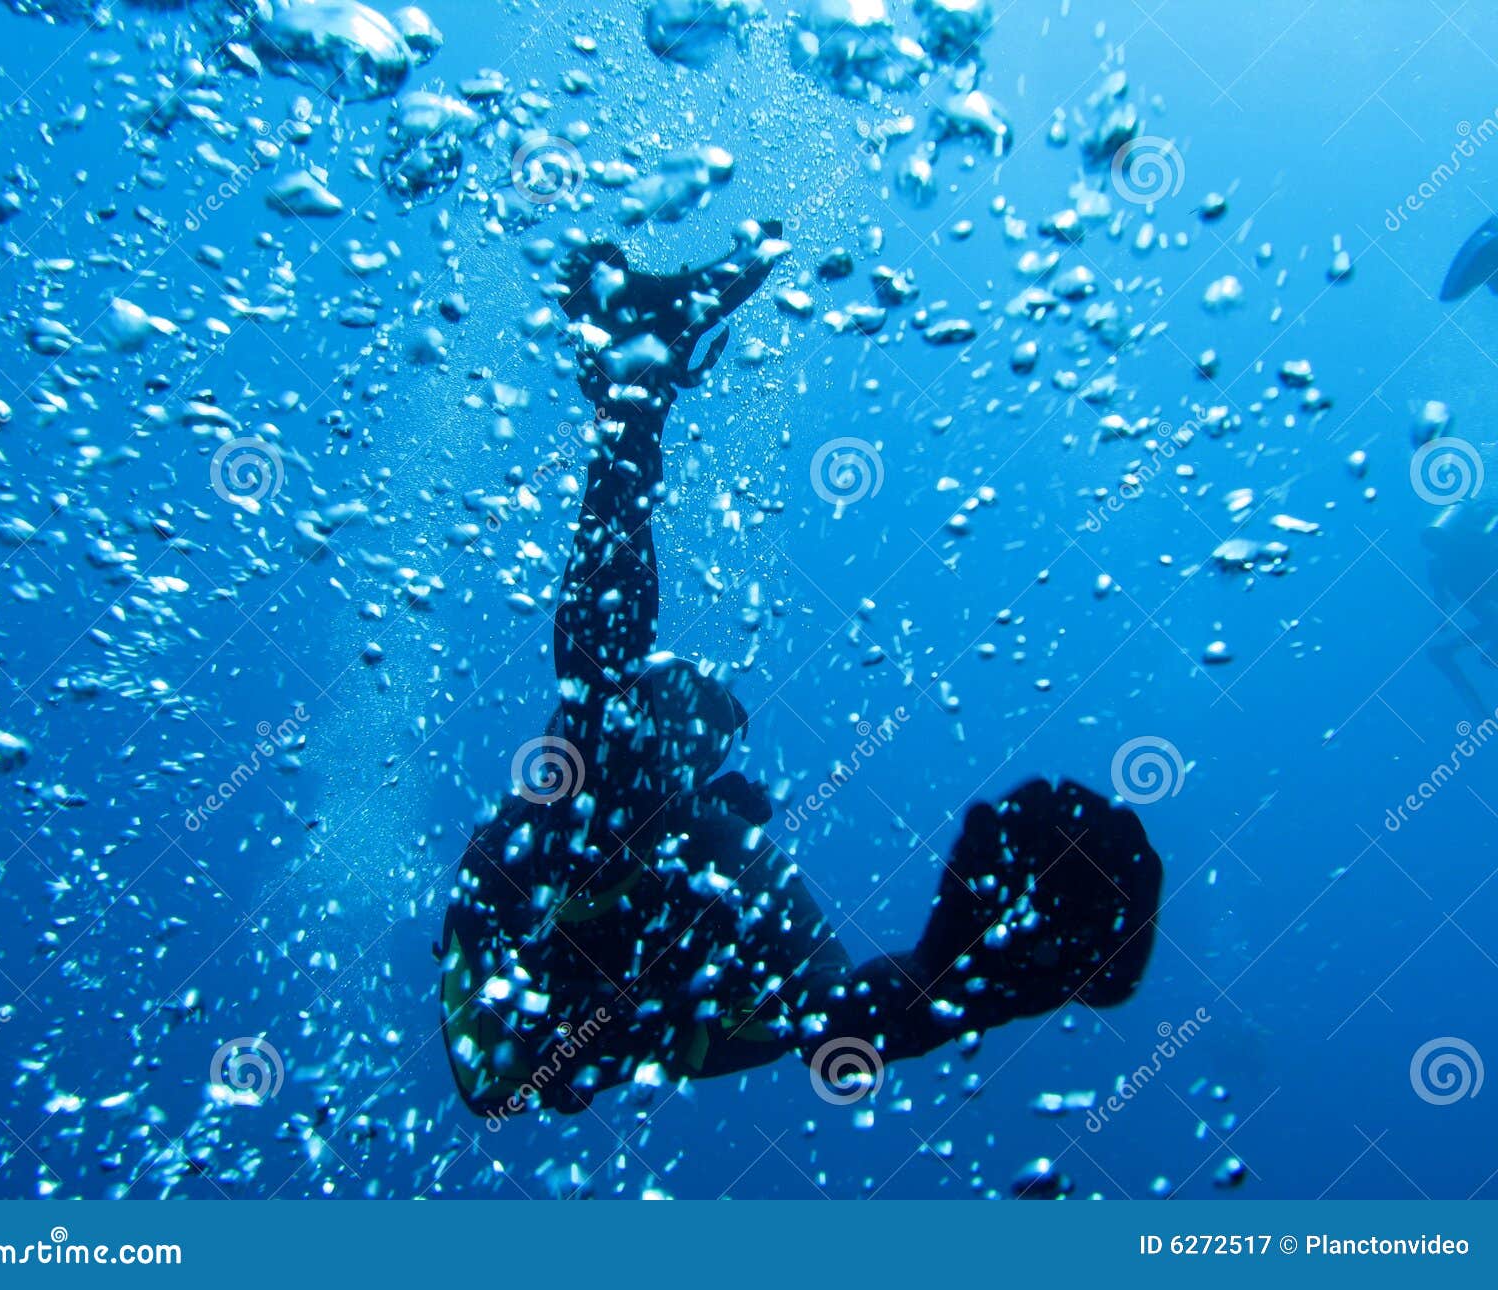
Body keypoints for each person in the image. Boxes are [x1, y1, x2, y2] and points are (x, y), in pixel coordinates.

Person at [438, 220, 1164, 1118]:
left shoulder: (725, 856)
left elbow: (837, 1026)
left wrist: (969, 976)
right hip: (506, 1003)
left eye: (695, 726)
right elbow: (598, 660)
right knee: (596, 737)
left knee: (608, 747)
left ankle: (635, 388)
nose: (681, 730)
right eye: (668, 713)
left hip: (585, 1033)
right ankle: (636, 389)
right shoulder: (574, 797)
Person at [1424, 498, 1498, 710]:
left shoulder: (1437, 561)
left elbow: (1440, 595)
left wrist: (1443, 616)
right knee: (1494, 624)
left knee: (1493, 624)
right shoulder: (1478, 532)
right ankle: (1458, 650)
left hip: (1470, 590)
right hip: (1482, 584)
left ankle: (1452, 649)